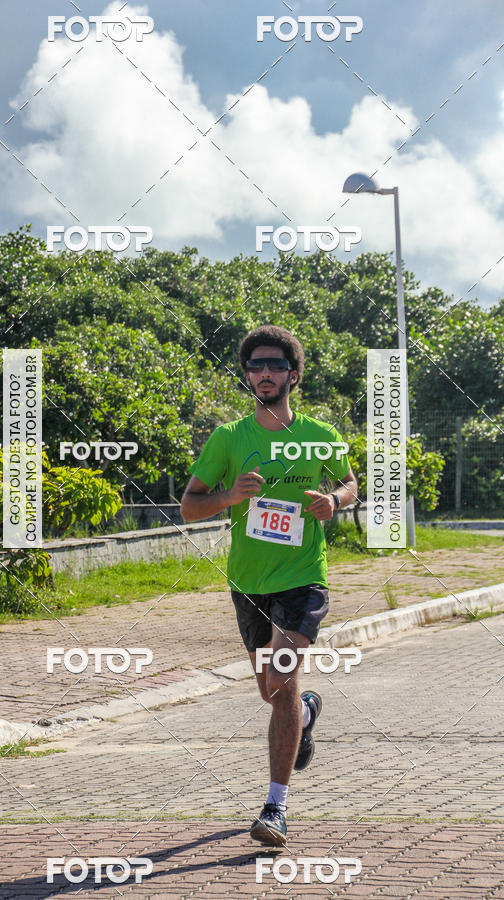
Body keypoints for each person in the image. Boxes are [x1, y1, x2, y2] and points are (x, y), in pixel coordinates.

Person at [180, 324, 358, 846]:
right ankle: (304, 713)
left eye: (275, 365)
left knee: (280, 679)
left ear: (293, 375)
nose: (264, 373)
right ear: (247, 375)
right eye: (256, 365)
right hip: (248, 582)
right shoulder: (229, 439)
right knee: (273, 692)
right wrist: (230, 496)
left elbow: (350, 482)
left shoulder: (320, 436)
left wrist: (336, 501)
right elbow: (189, 506)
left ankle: (275, 808)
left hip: (304, 578)